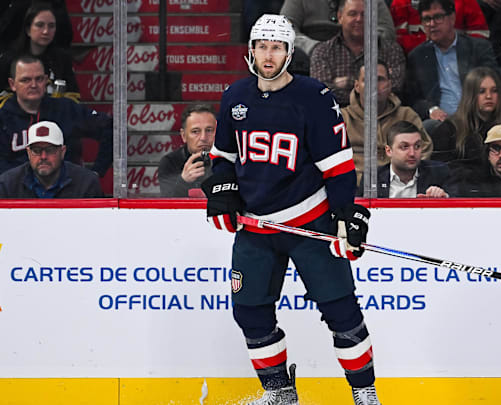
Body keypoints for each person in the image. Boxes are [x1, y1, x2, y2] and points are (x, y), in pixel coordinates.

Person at [201, 14, 381, 405]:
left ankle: (365, 393)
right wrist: (224, 191)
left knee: (341, 310)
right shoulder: (235, 97)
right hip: (256, 228)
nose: (269, 55)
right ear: (251, 51)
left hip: (309, 222)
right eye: (262, 47)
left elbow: (336, 165)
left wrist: (345, 214)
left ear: (288, 52)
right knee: (249, 313)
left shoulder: (313, 97)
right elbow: (224, 158)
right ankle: (281, 394)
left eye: (277, 47)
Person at [0, 55, 112, 176]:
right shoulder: (3, 118)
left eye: (39, 79)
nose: (33, 85)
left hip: (67, 190)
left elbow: (110, 128)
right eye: (26, 80)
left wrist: (96, 172)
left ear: (46, 81)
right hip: (18, 192)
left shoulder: (66, 109)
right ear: (12, 84)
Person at [403, 0, 498, 122]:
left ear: (452, 18)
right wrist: (431, 110)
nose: (432, 24)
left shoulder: (478, 48)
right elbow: (412, 99)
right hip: (440, 123)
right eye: (426, 19)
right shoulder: (417, 56)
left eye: (438, 17)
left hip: (477, 117)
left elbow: (495, 86)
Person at [341, 61, 432, 180]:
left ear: (389, 85)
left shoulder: (406, 115)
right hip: (356, 188)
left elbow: (424, 150)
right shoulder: (342, 118)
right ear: (357, 86)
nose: (374, 85)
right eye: (367, 80)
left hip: (399, 185)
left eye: (380, 79)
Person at [310, 0, 406, 106]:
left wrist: (347, 82)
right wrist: (377, 84)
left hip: (383, 116)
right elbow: (322, 92)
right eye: (352, 14)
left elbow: (395, 86)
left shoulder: (391, 49)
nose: (359, 19)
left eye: (365, 14)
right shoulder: (323, 52)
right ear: (340, 17)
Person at [430, 66, 501, 162]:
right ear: (470, 95)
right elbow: (440, 169)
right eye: (482, 91)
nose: (489, 96)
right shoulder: (449, 129)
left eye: (494, 91)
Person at [0, 121, 102, 198]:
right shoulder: (7, 184)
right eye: (36, 150)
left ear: (62, 151)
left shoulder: (87, 183)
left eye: (50, 150)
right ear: (28, 153)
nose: (43, 156)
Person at [0, 2, 79, 97]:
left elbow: (74, 96)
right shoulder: (8, 60)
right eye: (39, 25)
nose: (46, 31)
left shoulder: (62, 59)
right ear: (28, 29)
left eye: (51, 26)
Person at [360, 120, 449, 197]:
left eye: (417, 146)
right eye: (404, 147)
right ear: (389, 151)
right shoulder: (373, 177)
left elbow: (457, 200)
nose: (412, 153)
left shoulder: (438, 172)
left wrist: (445, 197)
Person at [280, 0, 396, 57]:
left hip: (360, 56)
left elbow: (387, 31)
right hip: (310, 55)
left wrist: (358, 44)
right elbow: (283, 29)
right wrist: (315, 47)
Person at [158, 104, 217, 197]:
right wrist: (183, 181)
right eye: (195, 131)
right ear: (183, 135)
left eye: (209, 130)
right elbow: (167, 205)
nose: (203, 138)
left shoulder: (228, 158)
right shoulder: (170, 162)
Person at [390, 0, 490, 54]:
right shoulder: (401, 3)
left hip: (460, 58)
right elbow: (399, 40)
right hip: (419, 61)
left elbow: (480, 35)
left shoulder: (465, 2)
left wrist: (455, 46)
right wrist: (434, 43)